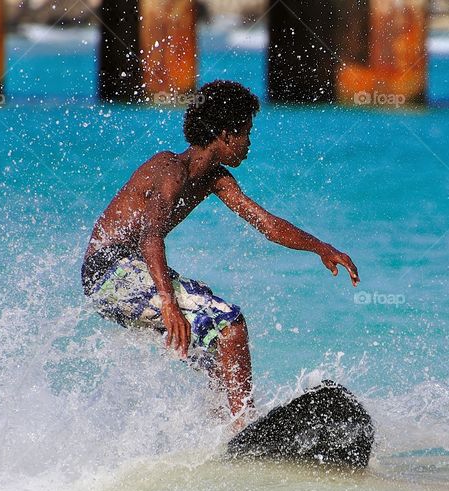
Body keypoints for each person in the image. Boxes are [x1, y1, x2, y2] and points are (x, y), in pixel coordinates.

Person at [81, 80, 359, 429]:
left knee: (218, 352)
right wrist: (168, 303)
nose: (249, 143)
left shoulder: (215, 178)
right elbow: (151, 235)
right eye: (246, 133)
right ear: (226, 135)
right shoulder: (170, 169)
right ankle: (244, 427)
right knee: (230, 325)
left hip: (126, 276)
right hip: (110, 271)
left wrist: (321, 248)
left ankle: (218, 436)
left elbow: (266, 223)